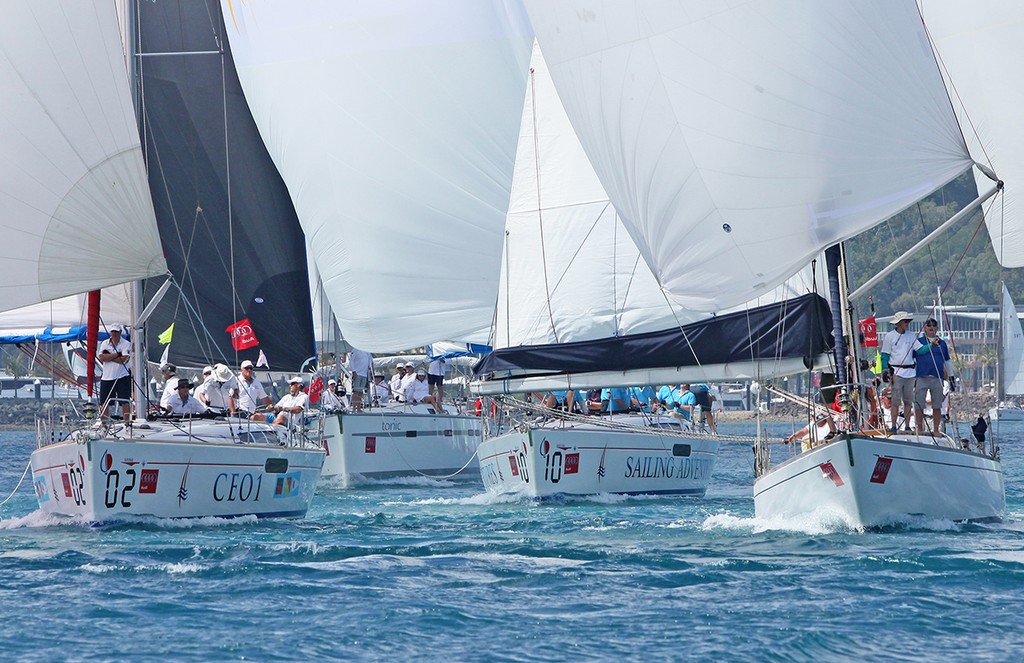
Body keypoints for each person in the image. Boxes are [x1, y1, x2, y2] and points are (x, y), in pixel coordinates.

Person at [880, 311, 918, 433]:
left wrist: (930, 346)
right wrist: (885, 370)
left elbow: (920, 349)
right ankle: (893, 426)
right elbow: (884, 355)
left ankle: (907, 426)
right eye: (905, 321)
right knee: (895, 401)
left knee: (908, 401)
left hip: (910, 372)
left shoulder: (912, 335)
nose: (907, 323)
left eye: (908, 321)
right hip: (896, 372)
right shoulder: (890, 336)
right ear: (899, 323)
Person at [914, 317, 951, 437]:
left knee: (937, 405)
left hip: (937, 377)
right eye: (928, 325)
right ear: (925, 328)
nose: (931, 327)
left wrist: (951, 376)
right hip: (921, 376)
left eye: (933, 325)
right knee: (919, 404)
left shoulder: (942, 343)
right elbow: (913, 356)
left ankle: (936, 429)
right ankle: (919, 429)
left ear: (937, 328)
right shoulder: (919, 342)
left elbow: (947, 361)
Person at [98, 324, 132, 422]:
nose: (114, 334)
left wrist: (108, 357)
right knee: (103, 403)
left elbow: (124, 360)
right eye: (113, 332)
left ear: (120, 332)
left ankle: (127, 423)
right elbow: (102, 358)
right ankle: (104, 424)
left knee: (125, 402)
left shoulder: (126, 344)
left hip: (122, 377)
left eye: (116, 332)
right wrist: (117, 354)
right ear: (110, 332)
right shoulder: (105, 343)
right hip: (106, 377)